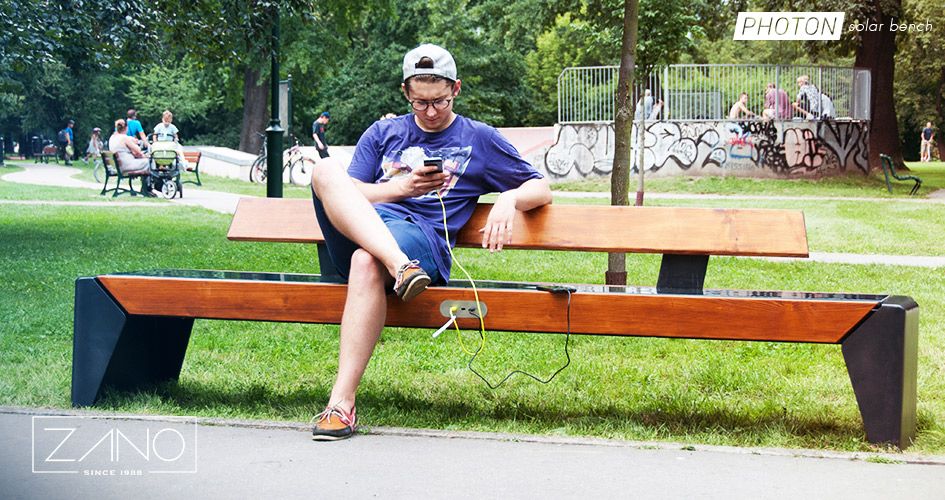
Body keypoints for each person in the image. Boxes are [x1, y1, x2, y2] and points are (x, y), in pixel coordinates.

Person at [308, 43, 552, 441]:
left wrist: (508, 197)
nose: (431, 112)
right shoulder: (383, 132)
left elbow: (541, 187)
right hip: (367, 234)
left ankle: (341, 404)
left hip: (421, 242)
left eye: (439, 101)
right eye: (420, 103)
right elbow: (346, 193)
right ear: (406, 93)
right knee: (324, 170)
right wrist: (400, 187)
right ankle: (397, 265)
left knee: (365, 263)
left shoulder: (480, 139)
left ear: (456, 89)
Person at [109, 119, 151, 189]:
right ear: (126, 128)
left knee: (145, 160)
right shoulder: (124, 138)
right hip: (126, 165)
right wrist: (134, 142)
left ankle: (145, 188)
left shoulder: (112, 137)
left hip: (119, 165)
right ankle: (146, 188)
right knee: (149, 161)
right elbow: (138, 150)